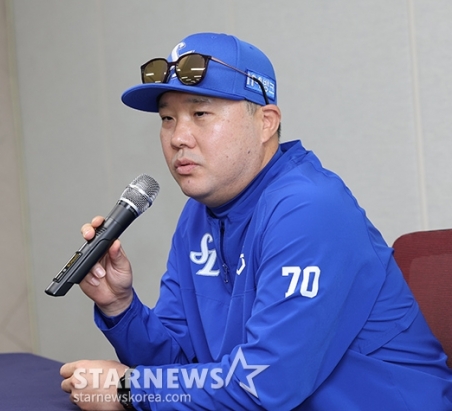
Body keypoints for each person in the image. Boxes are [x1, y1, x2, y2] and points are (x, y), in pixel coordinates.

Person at [60, 32, 452, 410]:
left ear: (266, 122)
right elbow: (179, 367)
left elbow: (267, 384)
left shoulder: (309, 208)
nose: (178, 137)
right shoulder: (197, 214)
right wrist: (120, 307)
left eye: (200, 113)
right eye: (167, 118)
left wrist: (129, 389)